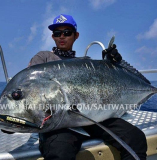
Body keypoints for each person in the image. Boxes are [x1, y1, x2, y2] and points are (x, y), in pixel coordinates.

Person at [28, 14, 147, 160]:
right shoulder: (43, 58)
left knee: (135, 138)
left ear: (76, 35)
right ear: (53, 36)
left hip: (92, 117)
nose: (62, 37)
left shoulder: (84, 64)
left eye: (67, 32)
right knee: (60, 150)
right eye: (57, 33)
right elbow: (29, 89)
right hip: (58, 123)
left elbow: (102, 86)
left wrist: (113, 66)